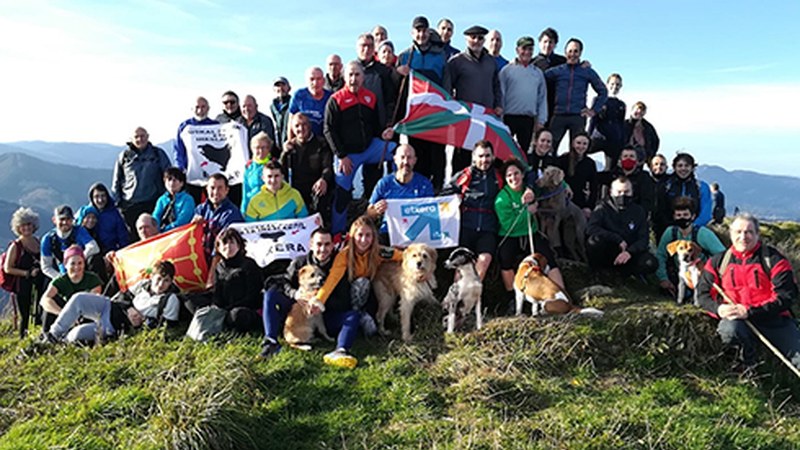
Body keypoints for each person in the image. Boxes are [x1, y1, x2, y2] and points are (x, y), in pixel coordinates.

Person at [697, 213, 800, 371]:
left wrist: (750, 311)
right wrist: (719, 309)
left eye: (749, 232)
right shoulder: (718, 262)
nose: (743, 237)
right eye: (738, 232)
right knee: (729, 330)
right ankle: (747, 368)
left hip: (774, 320)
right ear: (731, 234)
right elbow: (703, 295)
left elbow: (786, 296)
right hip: (737, 321)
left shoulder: (774, 260)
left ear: (757, 234)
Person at [314, 217, 403, 368]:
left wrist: (421, 266)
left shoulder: (379, 251)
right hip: (346, 298)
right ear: (352, 236)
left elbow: (402, 256)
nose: (363, 240)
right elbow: (332, 280)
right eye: (360, 235)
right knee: (362, 282)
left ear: (373, 237)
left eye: (368, 235)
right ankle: (357, 318)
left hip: (368, 296)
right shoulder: (344, 255)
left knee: (371, 330)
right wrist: (319, 301)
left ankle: (364, 318)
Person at [323, 60, 396, 235]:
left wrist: (384, 134)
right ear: (344, 77)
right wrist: (341, 155)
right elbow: (328, 129)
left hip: (370, 148)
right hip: (348, 155)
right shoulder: (336, 99)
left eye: (357, 75)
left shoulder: (370, 97)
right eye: (350, 75)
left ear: (363, 77)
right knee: (342, 195)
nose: (353, 79)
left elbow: (375, 125)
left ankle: (395, 199)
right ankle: (338, 234)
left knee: (397, 152)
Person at [42, 260, 180, 344]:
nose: (161, 284)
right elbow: (123, 296)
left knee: (76, 335)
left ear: (171, 282)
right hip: (109, 306)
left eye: (166, 281)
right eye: (158, 279)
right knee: (79, 298)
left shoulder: (170, 299)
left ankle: (60, 342)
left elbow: (170, 326)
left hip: (115, 325)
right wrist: (129, 308)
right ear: (152, 277)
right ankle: (52, 335)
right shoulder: (143, 284)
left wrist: (144, 322)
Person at [495, 159, 564, 311]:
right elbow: (509, 225)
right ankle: (513, 297)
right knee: (505, 258)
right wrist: (527, 212)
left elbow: (553, 185)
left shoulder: (530, 189)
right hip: (511, 235)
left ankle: (561, 294)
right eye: (509, 175)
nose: (513, 178)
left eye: (516, 174)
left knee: (549, 257)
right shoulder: (502, 198)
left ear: (522, 175)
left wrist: (566, 187)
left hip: (530, 233)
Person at [261, 227, 339, 356]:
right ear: (311, 245)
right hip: (296, 304)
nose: (323, 249)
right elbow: (284, 281)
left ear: (332, 246)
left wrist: (321, 299)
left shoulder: (338, 263)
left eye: (327, 244)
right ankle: (271, 339)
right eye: (319, 244)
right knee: (270, 294)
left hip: (326, 307)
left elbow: (342, 296)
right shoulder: (299, 262)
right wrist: (295, 294)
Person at [397, 15, 451, 190]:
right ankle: (419, 190)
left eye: (424, 30)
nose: (421, 34)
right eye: (418, 31)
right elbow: (397, 88)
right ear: (412, 33)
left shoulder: (440, 55)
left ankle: (437, 188)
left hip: (436, 114)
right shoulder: (405, 56)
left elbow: (446, 85)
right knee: (417, 154)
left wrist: (446, 108)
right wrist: (397, 73)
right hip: (416, 116)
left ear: (429, 32)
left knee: (437, 155)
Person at [445, 140, 505, 280]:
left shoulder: (498, 177)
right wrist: (455, 197)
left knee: (484, 260)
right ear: (474, 157)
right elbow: (445, 193)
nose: (484, 160)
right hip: (466, 226)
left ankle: (472, 292)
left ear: (493, 157)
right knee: (461, 265)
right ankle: (456, 293)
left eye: (487, 156)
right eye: (480, 156)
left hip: (488, 228)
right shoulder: (464, 175)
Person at [448, 25, 503, 172]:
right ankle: (459, 184)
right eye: (473, 37)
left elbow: (496, 86)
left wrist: (498, 105)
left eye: (480, 38)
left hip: (486, 117)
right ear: (466, 39)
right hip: (466, 118)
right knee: (462, 156)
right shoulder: (456, 61)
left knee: (485, 154)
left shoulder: (491, 61)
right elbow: (447, 88)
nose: (477, 41)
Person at [544, 38, 607, 154]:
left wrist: (593, 110)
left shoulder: (587, 71)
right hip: (559, 114)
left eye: (576, 51)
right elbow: (539, 77)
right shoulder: (558, 71)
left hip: (578, 116)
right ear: (565, 52)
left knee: (577, 151)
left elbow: (603, 91)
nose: (572, 54)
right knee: (549, 148)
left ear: (580, 53)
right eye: (570, 51)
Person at [586, 177, 657, 277]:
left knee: (650, 263)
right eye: (619, 192)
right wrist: (616, 239)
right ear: (611, 192)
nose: (622, 195)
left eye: (626, 192)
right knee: (594, 241)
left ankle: (627, 276)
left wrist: (630, 252)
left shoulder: (638, 211)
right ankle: (599, 273)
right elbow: (591, 228)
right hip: (609, 250)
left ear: (632, 192)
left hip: (630, 253)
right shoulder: (602, 208)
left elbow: (643, 238)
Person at [656, 196, 725, 298]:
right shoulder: (670, 233)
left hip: (702, 275)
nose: (682, 218)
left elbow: (722, 255)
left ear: (693, 216)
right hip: (680, 274)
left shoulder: (703, 234)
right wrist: (663, 278)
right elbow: (660, 255)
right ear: (674, 216)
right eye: (678, 215)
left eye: (685, 215)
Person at [112, 127, 172, 240]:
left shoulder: (158, 154)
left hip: (153, 202)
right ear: (131, 139)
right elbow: (117, 181)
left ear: (148, 137)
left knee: (155, 237)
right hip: (130, 205)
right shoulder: (124, 156)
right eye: (136, 137)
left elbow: (169, 176)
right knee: (134, 239)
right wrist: (118, 204)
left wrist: (168, 198)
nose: (140, 139)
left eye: (143, 136)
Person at [367, 144, 434, 243]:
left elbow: (432, 213)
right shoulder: (385, 183)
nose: (405, 162)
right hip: (389, 232)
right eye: (402, 157)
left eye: (409, 158)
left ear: (415, 160)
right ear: (395, 159)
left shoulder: (424, 184)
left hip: (416, 234)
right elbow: (369, 213)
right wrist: (377, 210)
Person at [207, 228, 264, 333]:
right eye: (224, 243)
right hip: (225, 309)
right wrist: (216, 307)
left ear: (239, 245)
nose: (228, 247)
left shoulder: (249, 265)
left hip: (246, 309)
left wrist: (229, 308)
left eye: (232, 243)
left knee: (238, 315)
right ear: (218, 248)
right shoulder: (219, 267)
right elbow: (218, 293)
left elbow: (253, 296)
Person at [280, 113, 333, 224]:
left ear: (310, 125)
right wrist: (284, 153)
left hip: (316, 186)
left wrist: (324, 179)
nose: (301, 129)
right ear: (292, 129)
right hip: (296, 189)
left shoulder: (322, 143)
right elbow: (280, 170)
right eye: (297, 126)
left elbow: (328, 166)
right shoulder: (290, 146)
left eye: (304, 124)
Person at [499, 36, 548, 154]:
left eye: (530, 49)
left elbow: (542, 98)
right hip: (509, 118)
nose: (527, 52)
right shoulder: (506, 71)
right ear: (517, 50)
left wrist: (541, 120)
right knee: (504, 151)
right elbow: (501, 95)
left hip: (528, 119)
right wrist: (500, 119)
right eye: (524, 49)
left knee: (524, 154)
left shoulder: (537, 73)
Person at [39, 245, 103, 332]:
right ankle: (47, 334)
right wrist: (62, 314)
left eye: (80, 263)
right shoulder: (60, 280)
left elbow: (94, 302)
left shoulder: (93, 279)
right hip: (64, 312)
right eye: (72, 263)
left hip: (85, 315)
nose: (76, 267)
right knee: (51, 301)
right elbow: (44, 300)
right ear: (65, 265)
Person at [4, 207, 45, 337]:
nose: (26, 228)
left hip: (38, 281)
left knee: (40, 308)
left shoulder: (38, 242)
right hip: (21, 284)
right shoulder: (15, 246)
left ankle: (39, 333)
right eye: (23, 225)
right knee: (25, 314)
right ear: (18, 228)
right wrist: (27, 273)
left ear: (34, 226)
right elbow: (7, 268)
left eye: (29, 224)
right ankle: (23, 337)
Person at [654, 152, 712, 240]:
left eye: (687, 166)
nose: (683, 168)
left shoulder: (701, 187)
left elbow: (706, 213)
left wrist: (691, 228)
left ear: (692, 168)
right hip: (667, 232)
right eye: (680, 166)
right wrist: (673, 229)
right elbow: (659, 210)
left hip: (695, 233)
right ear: (674, 167)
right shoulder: (665, 186)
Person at [193, 173, 245, 268]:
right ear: (206, 189)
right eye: (212, 188)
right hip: (199, 260)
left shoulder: (232, 214)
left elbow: (224, 246)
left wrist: (212, 272)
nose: (216, 192)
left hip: (223, 265)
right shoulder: (200, 209)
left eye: (220, 188)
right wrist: (193, 224)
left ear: (227, 190)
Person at [40, 205, 100, 282]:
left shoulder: (79, 231)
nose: (65, 222)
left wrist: (77, 261)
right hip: (61, 274)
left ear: (72, 220)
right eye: (62, 219)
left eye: (68, 219)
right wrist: (60, 278)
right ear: (54, 220)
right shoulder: (48, 239)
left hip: (81, 270)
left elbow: (94, 247)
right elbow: (46, 266)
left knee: (95, 259)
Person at [597, 146, 655, 216]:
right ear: (620, 159)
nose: (628, 158)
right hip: (612, 215)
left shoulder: (644, 177)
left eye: (631, 156)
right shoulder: (612, 176)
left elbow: (646, 200)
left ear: (637, 160)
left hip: (634, 214)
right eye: (625, 156)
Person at [244, 161, 308, 222]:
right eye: (269, 176)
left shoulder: (294, 195)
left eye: (276, 176)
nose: (273, 180)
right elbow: (250, 224)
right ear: (263, 178)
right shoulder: (255, 201)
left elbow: (304, 219)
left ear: (282, 176)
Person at [75, 183, 129, 254]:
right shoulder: (85, 213)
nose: (100, 200)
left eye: (103, 196)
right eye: (96, 196)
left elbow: (123, 238)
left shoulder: (115, 214)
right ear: (92, 198)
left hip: (111, 252)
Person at [588, 73, 627, 169]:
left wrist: (622, 143)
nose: (615, 87)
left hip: (614, 140)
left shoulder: (621, 104)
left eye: (618, 84)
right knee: (581, 151)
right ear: (607, 85)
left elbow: (621, 124)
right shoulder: (598, 100)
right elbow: (593, 119)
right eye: (612, 84)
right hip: (599, 137)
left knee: (609, 170)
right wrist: (588, 136)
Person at [557, 131, 598, 219]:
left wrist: (589, 207)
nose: (581, 146)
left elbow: (594, 187)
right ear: (573, 144)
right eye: (578, 143)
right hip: (563, 200)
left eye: (584, 144)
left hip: (580, 203)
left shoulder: (590, 163)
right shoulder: (563, 160)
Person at [532, 27, 567, 127]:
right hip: (538, 107)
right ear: (539, 43)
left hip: (557, 108)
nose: (547, 45)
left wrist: (584, 64)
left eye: (551, 42)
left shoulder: (562, 61)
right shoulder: (533, 63)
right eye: (545, 41)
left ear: (555, 44)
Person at [288, 67, 333, 139]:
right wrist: (291, 142)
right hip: (304, 140)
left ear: (324, 81)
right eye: (312, 79)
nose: (315, 83)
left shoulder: (331, 97)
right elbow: (291, 122)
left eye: (318, 79)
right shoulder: (299, 95)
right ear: (307, 81)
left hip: (325, 140)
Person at [241, 131, 274, 216]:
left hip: (270, 208)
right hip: (253, 208)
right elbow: (246, 191)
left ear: (269, 148)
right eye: (257, 148)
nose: (260, 151)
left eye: (264, 147)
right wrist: (243, 211)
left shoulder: (274, 165)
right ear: (252, 149)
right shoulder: (249, 167)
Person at [153, 167, 196, 232]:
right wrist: (156, 228)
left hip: (180, 233)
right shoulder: (161, 200)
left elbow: (183, 220)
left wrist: (165, 230)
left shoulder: (188, 199)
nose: (171, 183)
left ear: (181, 183)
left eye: (175, 180)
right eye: (169, 179)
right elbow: (156, 216)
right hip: (161, 233)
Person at [270, 77, 292, 153]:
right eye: (278, 86)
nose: (280, 88)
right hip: (279, 143)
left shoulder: (293, 103)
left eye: (283, 85)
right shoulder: (273, 106)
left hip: (290, 142)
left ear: (289, 88)